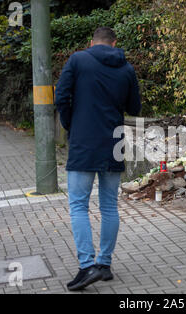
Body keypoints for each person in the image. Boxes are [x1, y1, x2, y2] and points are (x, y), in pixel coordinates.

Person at [55, 27, 141, 291]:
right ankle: (104, 264)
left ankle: (86, 265)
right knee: (109, 206)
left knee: (79, 205)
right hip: (113, 143)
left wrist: (72, 125)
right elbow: (134, 108)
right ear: (115, 43)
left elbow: (61, 96)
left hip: (83, 143)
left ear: (91, 42)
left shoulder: (78, 60)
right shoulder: (126, 68)